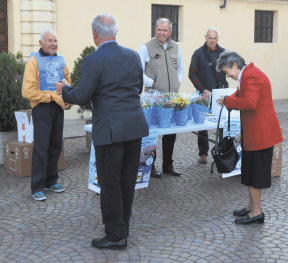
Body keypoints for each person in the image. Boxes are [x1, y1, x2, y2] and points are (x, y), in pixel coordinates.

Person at [55, 14, 149, 249]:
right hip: (134, 128)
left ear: (95, 35)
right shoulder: (133, 55)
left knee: (110, 184)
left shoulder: (92, 60)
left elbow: (82, 95)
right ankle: (122, 227)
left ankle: (115, 236)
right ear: (115, 32)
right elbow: (138, 88)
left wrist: (65, 90)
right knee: (127, 182)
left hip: (110, 131)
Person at [216, 51, 283, 224]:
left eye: (227, 72)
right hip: (255, 132)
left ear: (235, 66)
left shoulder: (250, 76)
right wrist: (230, 99)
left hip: (260, 134)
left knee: (255, 174)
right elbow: (241, 94)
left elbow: (250, 103)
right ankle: (251, 206)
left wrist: (227, 101)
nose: (227, 76)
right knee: (249, 171)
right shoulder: (247, 74)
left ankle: (257, 212)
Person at [22, 29, 71, 201]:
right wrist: (52, 96)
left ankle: (51, 181)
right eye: (49, 40)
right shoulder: (33, 61)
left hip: (57, 108)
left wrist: (68, 99)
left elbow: (67, 83)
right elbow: (27, 91)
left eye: (55, 41)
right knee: (41, 148)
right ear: (41, 43)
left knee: (56, 146)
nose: (53, 44)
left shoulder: (61, 60)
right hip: (42, 108)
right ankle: (37, 187)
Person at [138, 18, 183, 178]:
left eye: (164, 30)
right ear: (155, 30)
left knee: (171, 132)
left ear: (170, 32)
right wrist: (152, 82)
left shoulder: (176, 48)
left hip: (171, 98)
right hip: (153, 99)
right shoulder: (146, 47)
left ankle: (167, 165)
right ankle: (151, 165)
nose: (161, 33)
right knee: (154, 131)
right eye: (159, 29)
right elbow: (138, 70)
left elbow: (180, 69)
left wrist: (177, 82)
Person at [189, 28, 228, 164]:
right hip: (204, 95)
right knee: (202, 125)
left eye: (215, 38)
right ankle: (203, 153)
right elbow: (192, 74)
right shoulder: (198, 53)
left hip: (221, 94)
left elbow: (229, 71)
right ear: (205, 37)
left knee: (223, 123)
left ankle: (224, 150)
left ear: (218, 38)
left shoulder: (224, 53)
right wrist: (202, 89)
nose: (212, 41)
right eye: (210, 38)